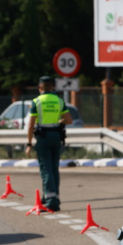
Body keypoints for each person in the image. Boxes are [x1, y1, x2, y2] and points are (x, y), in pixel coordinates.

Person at [25, 76, 73, 211]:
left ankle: (51, 201)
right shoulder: (59, 100)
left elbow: (30, 125)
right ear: (52, 87)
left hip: (43, 137)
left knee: (46, 169)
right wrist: (59, 121)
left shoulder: (37, 101)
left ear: (40, 88)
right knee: (53, 168)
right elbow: (69, 120)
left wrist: (29, 144)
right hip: (56, 137)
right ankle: (53, 197)